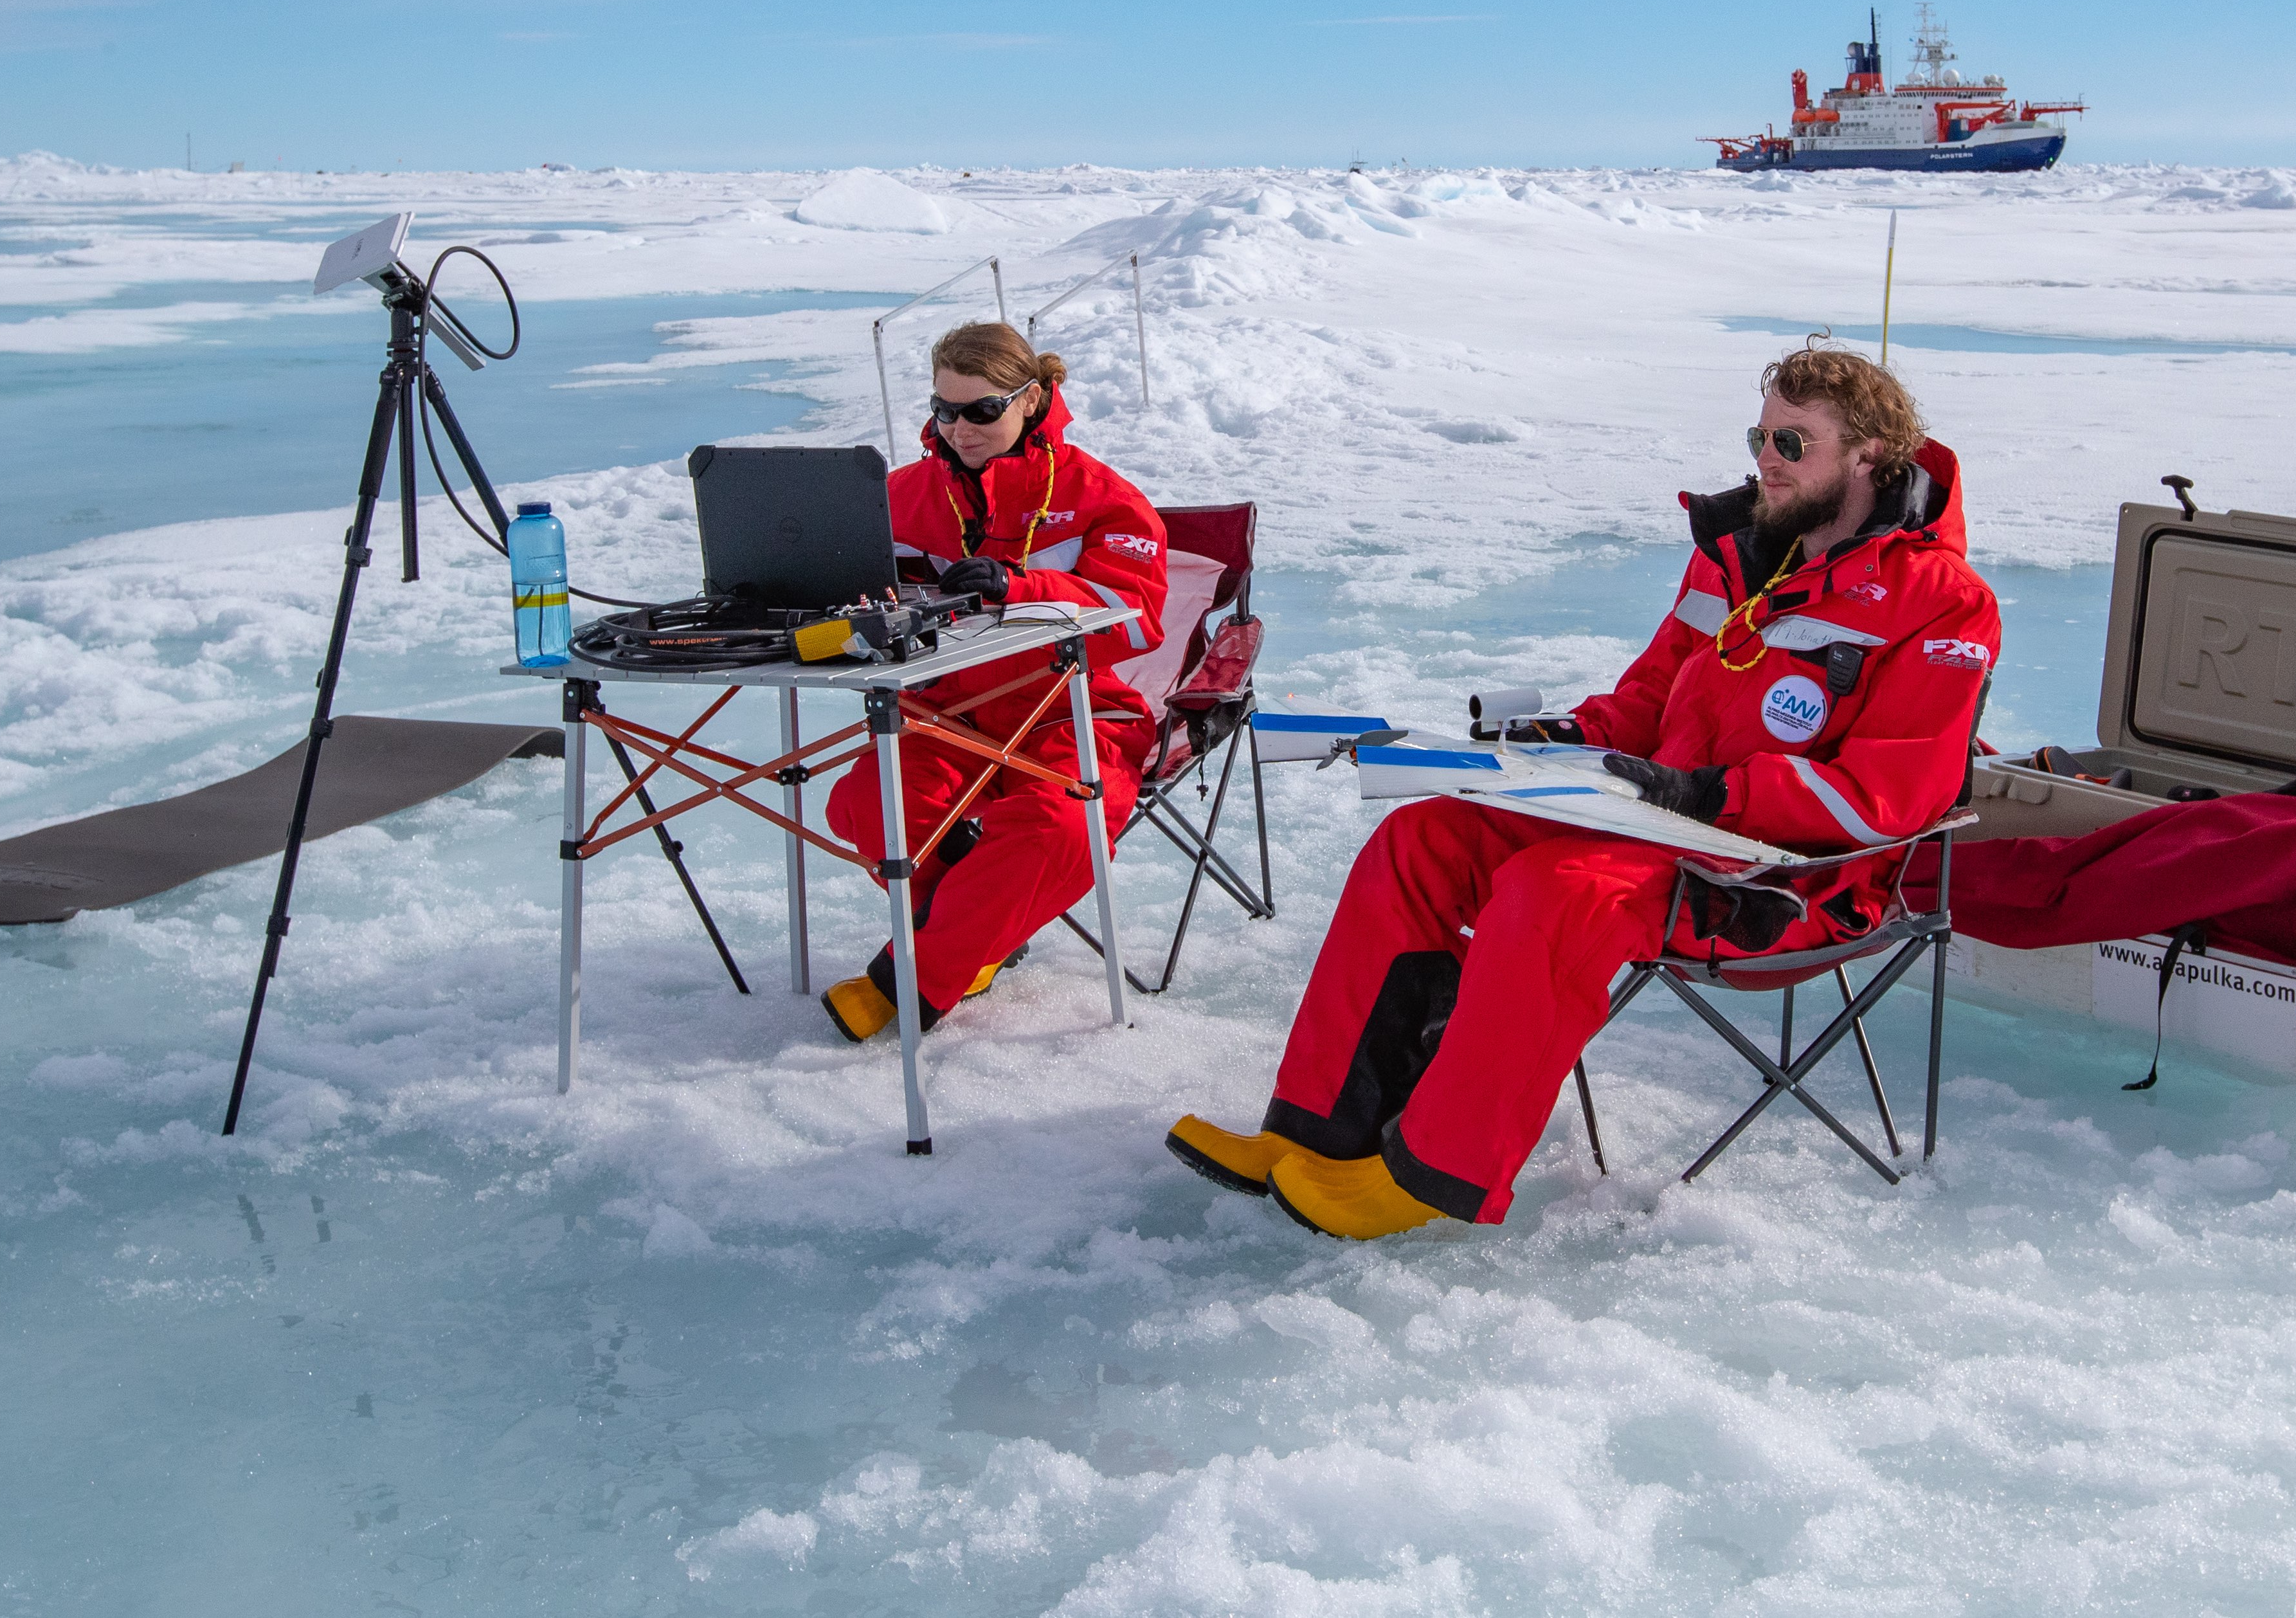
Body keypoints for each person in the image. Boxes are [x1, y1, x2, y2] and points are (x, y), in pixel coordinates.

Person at [1168, 347, 1998, 1237]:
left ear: (1870, 453)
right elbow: (1646, 701)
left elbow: (1886, 798)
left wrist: (1706, 793)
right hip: (1660, 826)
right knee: (1422, 839)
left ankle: (1433, 1171)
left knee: (1556, 892)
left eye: (1792, 439)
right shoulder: (1734, 557)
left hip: (1789, 880)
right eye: (1759, 433)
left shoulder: (1942, 603)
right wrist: (1569, 738)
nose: (1766, 456)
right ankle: (1319, 1136)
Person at [818, 322, 1170, 1042]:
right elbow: (854, 595)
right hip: (943, 709)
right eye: (943, 410)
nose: (959, 429)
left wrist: (1024, 586)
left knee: (1062, 828)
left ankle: (911, 979)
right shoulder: (899, 496)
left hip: (1070, 710)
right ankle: (978, 931)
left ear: (1031, 397)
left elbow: (1138, 623)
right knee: (867, 803)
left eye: (981, 410)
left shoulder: (1103, 496)